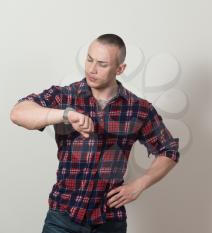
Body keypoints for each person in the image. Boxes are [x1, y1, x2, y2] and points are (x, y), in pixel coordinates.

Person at [10, 33, 180, 233]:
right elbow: (18, 113)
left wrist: (140, 184)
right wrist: (65, 115)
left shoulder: (138, 109)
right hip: (63, 218)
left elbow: (168, 149)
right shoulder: (66, 96)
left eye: (102, 64)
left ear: (120, 69)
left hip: (109, 221)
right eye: (89, 59)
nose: (92, 69)